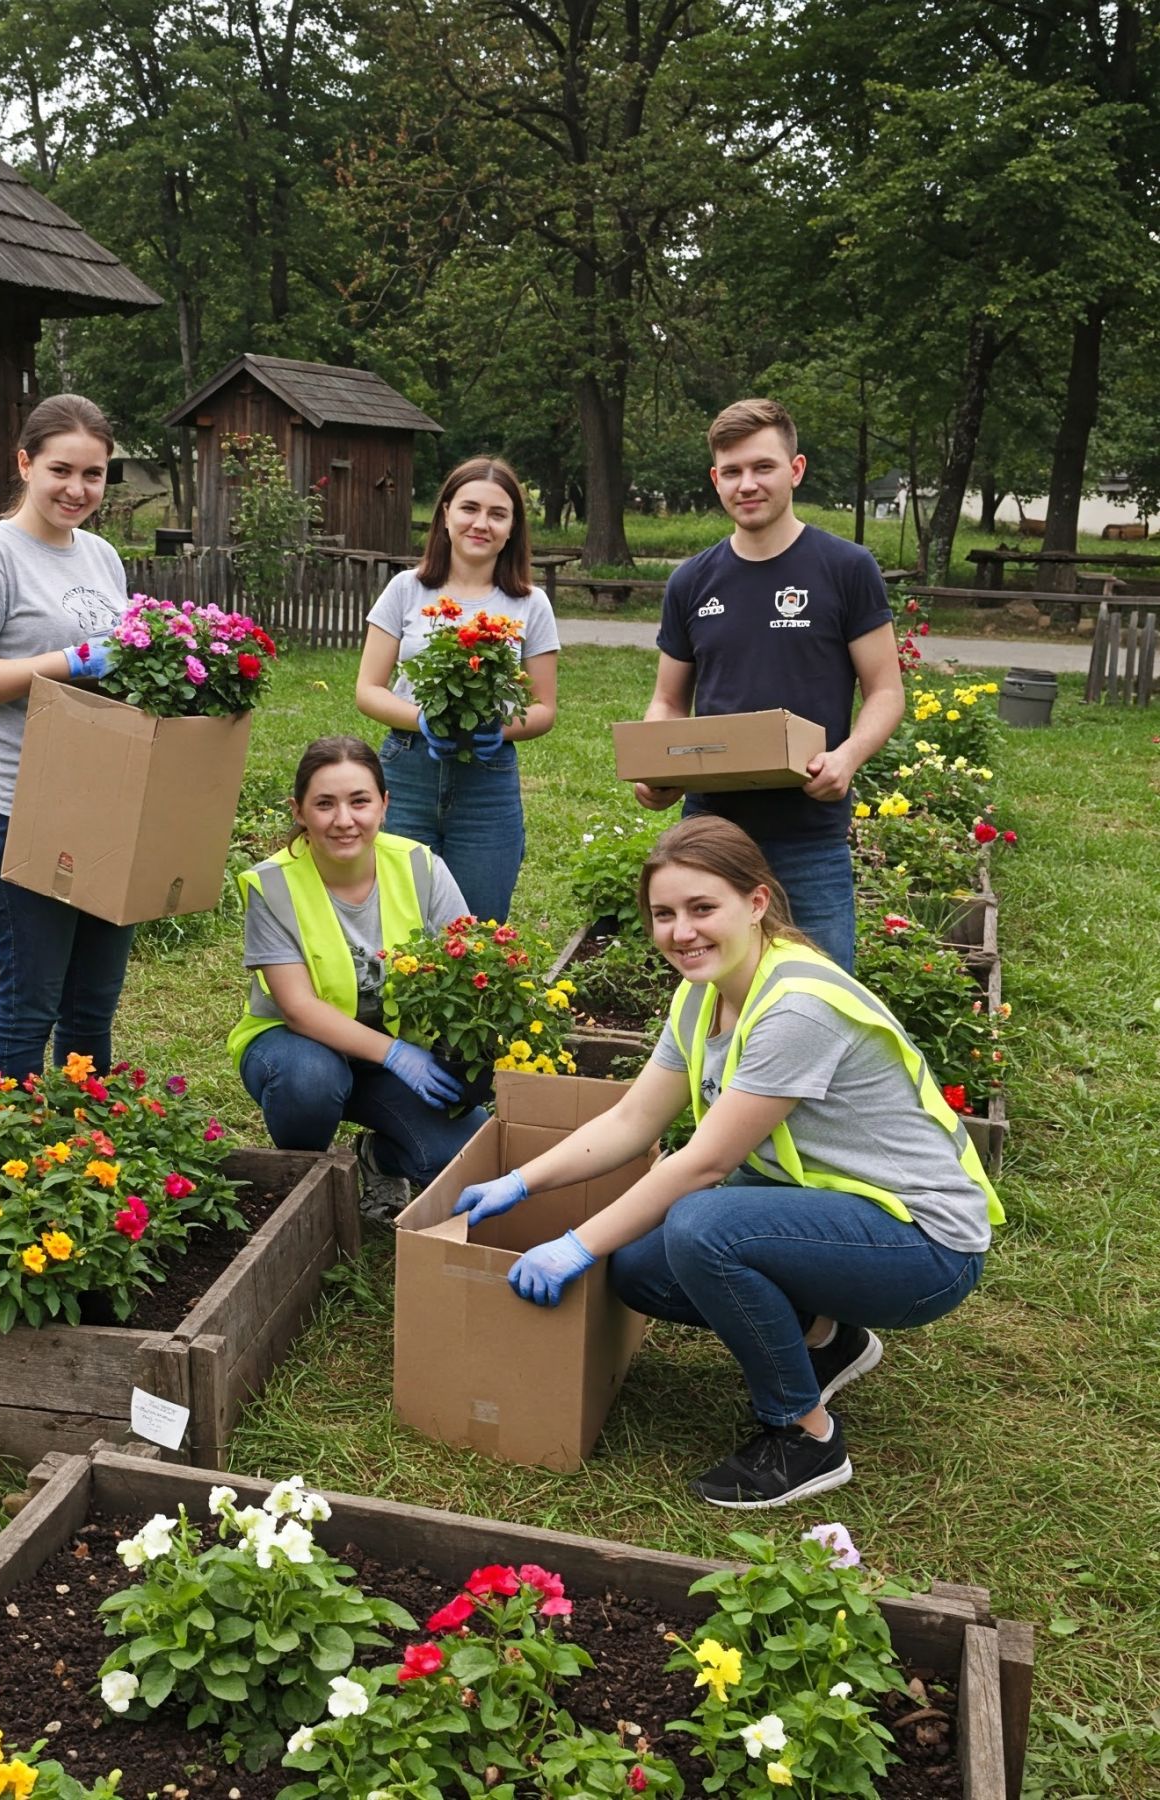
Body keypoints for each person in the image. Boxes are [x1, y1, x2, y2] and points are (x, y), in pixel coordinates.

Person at [452, 816, 1001, 1507]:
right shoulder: (703, 995)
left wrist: (574, 1244)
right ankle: (825, 1339)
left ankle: (804, 1438)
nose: (682, 931)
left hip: (925, 1247)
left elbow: (703, 1165)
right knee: (641, 1269)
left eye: (702, 908)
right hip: (845, 1211)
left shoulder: (795, 1009)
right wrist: (521, 1181)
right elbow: (632, 1119)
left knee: (702, 1227)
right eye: (664, 914)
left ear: (758, 903)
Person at [635, 399, 903, 972]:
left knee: (823, 997)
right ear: (715, 479)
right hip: (709, 833)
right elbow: (668, 699)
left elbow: (885, 690)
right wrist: (659, 768)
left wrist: (847, 757)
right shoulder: (691, 581)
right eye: (731, 472)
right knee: (712, 993)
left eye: (763, 467)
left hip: (809, 833)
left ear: (795, 470)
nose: (746, 484)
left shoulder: (846, 568)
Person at [0, 394, 134, 1083]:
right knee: (31, 1002)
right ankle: (10, 1162)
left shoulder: (103, 557)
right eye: (61, 470)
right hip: (22, 807)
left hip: (106, 804)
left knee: (93, 1006)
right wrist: (68, 664)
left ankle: (88, 1149)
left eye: (94, 474)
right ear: (24, 464)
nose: (77, 490)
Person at [229, 737, 491, 1214]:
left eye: (359, 801)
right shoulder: (271, 883)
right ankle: (308, 1183)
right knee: (308, 1081)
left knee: (462, 1157)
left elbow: (469, 969)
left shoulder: (421, 867)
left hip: (394, 1056)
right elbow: (298, 1008)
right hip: (298, 1048)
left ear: (385, 805)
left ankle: (378, 1157)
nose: (344, 820)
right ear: (299, 811)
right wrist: (395, 1054)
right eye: (324, 804)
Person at [356, 457, 558, 925]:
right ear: (445, 513)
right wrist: (421, 720)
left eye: (498, 514)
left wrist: (500, 730)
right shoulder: (406, 590)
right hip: (407, 772)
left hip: (487, 781)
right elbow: (368, 689)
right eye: (469, 508)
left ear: (513, 528)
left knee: (478, 927)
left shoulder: (530, 603)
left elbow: (544, 708)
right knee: (395, 922)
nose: (481, 524)